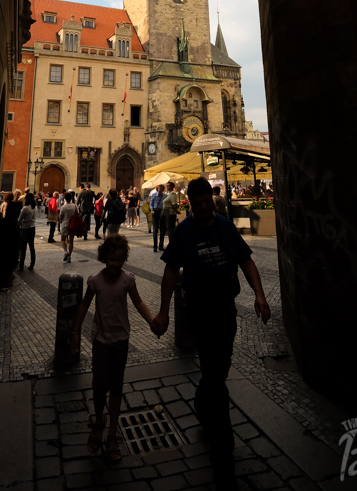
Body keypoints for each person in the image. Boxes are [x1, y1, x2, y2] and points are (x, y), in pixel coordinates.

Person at [152, 177, 271, 489]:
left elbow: (246, 260)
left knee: (218, 369)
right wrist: (163, 311)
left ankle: (203, 403)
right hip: (200, 313)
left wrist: (259, 295)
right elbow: (168, 272)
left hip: (225, 311)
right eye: (199, 202)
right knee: (215, 375)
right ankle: (224, 448)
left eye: (208, 201)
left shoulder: (224, 226)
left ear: (211, 200)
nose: (204, 207)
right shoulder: (183, 232)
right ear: (190, 203)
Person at [70, 234, 155, 463]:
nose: (116, 264)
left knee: (116, 385)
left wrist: (152, 322)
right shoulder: (95, 281)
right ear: (103, 258)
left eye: (119, 260)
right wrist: (76, 332)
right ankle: (99, 421)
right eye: (111, 259)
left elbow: (138, 302)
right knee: (99, 385)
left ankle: (113, 433)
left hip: (121, 339)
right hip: (100, 339)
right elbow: (84, 305)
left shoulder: (128, 280)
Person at [17, 194, 36, 271]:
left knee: (23, 247)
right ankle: (32, 264)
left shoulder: (25, 209)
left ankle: (21, 266)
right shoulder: (34, 208)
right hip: (32, 228)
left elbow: (19, 220)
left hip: (25, 228)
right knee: (32, 247)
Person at [59, 191, 78, 262]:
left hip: (65, 224)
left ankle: (65, 252)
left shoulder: (63, 207)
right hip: (72, 225)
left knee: (63, 239)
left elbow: (60, 217)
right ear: (71, 198)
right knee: (71, 241)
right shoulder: (74, 206)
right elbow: (77, 214)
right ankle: (69, 255)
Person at [149, 184, 167, 252]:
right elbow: (151, 203)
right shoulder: (153, 195)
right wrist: (151, 209)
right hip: (155, 212)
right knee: (155, 230)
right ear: (157, 189)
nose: (160, 190)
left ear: (163, 190)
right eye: (159, 189)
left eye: (161, 189)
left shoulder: (165, 196)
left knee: (162, 230)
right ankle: (155, 246)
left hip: (162, 213)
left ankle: (161, 245)